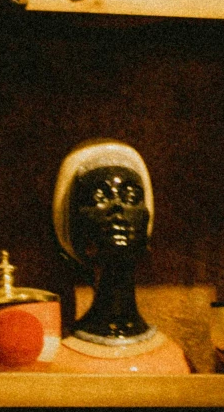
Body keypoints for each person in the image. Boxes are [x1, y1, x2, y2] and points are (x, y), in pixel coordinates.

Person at [47, 140, 189, 375]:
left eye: (131, 196)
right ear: (73, 225)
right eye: (99, 197)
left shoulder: (173, 358)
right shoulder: (60, 357)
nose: (117, 208)